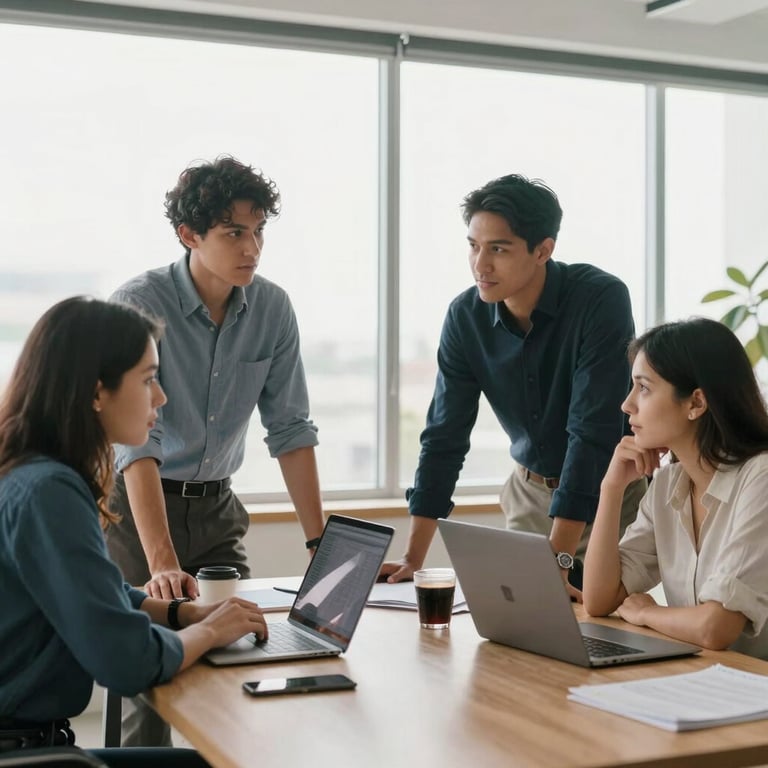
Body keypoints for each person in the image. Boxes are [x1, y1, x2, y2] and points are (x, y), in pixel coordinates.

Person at [104, 155, 324, 745]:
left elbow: (291, 429)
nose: (251, 247)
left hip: (219, 508)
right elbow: (136, 446)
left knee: (241, 659)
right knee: (152, 684)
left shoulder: (272, 308)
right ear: (189, 235)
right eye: (234, 232)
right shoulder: (139, 303)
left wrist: (318, 543)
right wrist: (160, 561)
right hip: (136, 510)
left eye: (258, 232)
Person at [0, 297, 268, 765]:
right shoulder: (50, 491)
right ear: (97, 392)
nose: (160, 398)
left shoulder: (28, 473)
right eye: (148, 380)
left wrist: (183, 614)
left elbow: (93, 594)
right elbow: (126, 661)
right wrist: (210, 634)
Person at [381, 173, 645, 597]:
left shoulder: (600, 299)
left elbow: (591, 432)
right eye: (473, 246)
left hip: (607, 493)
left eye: (498, 249)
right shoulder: (466, 317)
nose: (480, 265)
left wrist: (557, 560)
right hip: (527, 494)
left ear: (543, 250)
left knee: (605, 632)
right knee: (523, 636)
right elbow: (444, 437)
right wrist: (414, 557)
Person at [583, 318, 768, 655]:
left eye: (644, 388)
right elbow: (598, 599)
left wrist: (647, 612)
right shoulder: (668, 482)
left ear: (696, 403)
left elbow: (715, 628)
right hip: (707, 682)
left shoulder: (761, 477)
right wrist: (611, 489)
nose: (627, 404)